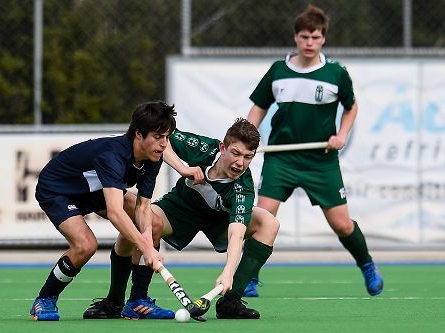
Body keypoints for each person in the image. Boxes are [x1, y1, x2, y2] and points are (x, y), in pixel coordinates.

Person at [245, 5, 383, 298]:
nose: (310, 42)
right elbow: (258, 107)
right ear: (295, 37)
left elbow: (351, 106)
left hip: (320, 160)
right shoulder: (278, 70)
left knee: (342, 224)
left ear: (323, 39)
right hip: (281, 157)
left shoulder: (335, 73)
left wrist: (341, 135)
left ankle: (367, 264)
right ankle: (250, 278)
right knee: (262, 216)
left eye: (316, 37)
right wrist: (247, 138)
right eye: (305, 36)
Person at [83, 118, 279, 320]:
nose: (240, 163)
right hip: (179, 209)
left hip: (220, 221)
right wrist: (183, 169)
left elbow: (236, 234)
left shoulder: (242, 189)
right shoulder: (204, 149)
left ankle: (231, 300)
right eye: (236, 153)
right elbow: (164, 141)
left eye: (248, 157)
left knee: (269, 223)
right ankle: (116, 301)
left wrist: (228, 271)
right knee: (143, 222)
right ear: (222, 148)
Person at [29, 101, 177, 321]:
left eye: (167, 137)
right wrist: (146, 246)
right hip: (59, 189)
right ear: (139, 134)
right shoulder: (112, 156)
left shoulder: (152, 156)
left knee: (152, 224)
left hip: (94, 188)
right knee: (86, 245)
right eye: (158, 137)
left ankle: (136, 301)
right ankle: (45, 298)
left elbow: (143, 206)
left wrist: (146, 237)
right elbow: (116, 212)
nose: (164, 144)